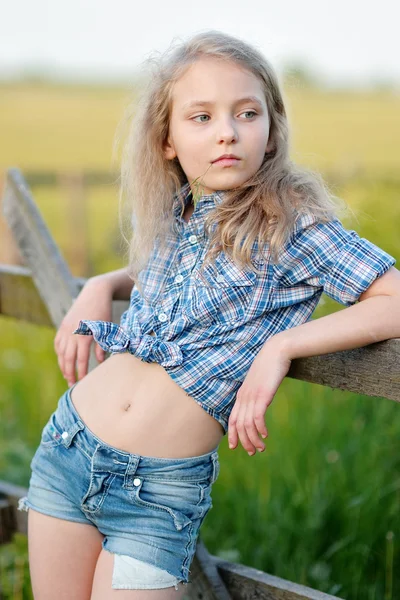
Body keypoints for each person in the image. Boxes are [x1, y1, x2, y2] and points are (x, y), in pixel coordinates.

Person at [18, 30, 399, 599]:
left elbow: (392, 298)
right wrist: (101, 284)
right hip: (69, 448)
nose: (227, 131)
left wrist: (281, 347)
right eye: (201, 117)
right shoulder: (181, 212)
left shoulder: (292, 225)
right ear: (167, 139)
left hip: (158, 494)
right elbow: (162, 279)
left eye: (247, 113)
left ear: (271, 132)